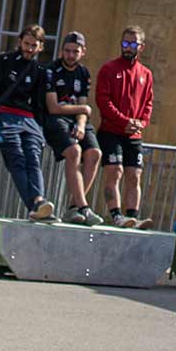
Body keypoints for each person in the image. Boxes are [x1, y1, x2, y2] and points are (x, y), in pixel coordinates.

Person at [0, 24, 54, 221]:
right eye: (26, 44)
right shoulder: (2, 61)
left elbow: (39, 104)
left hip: (29, 120)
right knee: (17, 160)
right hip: (5, 117)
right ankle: (36, 205)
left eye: (34, 45)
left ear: (40, 47)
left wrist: (40, 128)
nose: (29, 49)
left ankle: (38, 201)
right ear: (19, 42)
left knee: (33, 158)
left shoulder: (40, 70)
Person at [95, 26, 154, 229]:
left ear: (141, 47)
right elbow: (103, 102)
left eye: (132, 44)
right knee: (115, 171)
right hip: (111, 131)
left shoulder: (146, 74)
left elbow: (148, 103)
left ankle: (133, 217)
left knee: (134, 175)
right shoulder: (109, 69)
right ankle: (116, 215)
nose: (128, 48)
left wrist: (140, 123)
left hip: (133, 134)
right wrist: (124, 121)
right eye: (125, 43)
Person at [44, 31, 103, 226]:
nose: (70, 55)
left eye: (75, 51)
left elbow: (83, 103)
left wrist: (81, 123)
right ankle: (84, 207)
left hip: (76, 119)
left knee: (94, 153)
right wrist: (83, 109)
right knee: (74, 151)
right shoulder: (51, 70)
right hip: (57, 120)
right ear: (61, 51)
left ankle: (73, 207)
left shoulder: (83, 73)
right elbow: (53, 107)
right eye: (67, 51)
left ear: (82, 52)